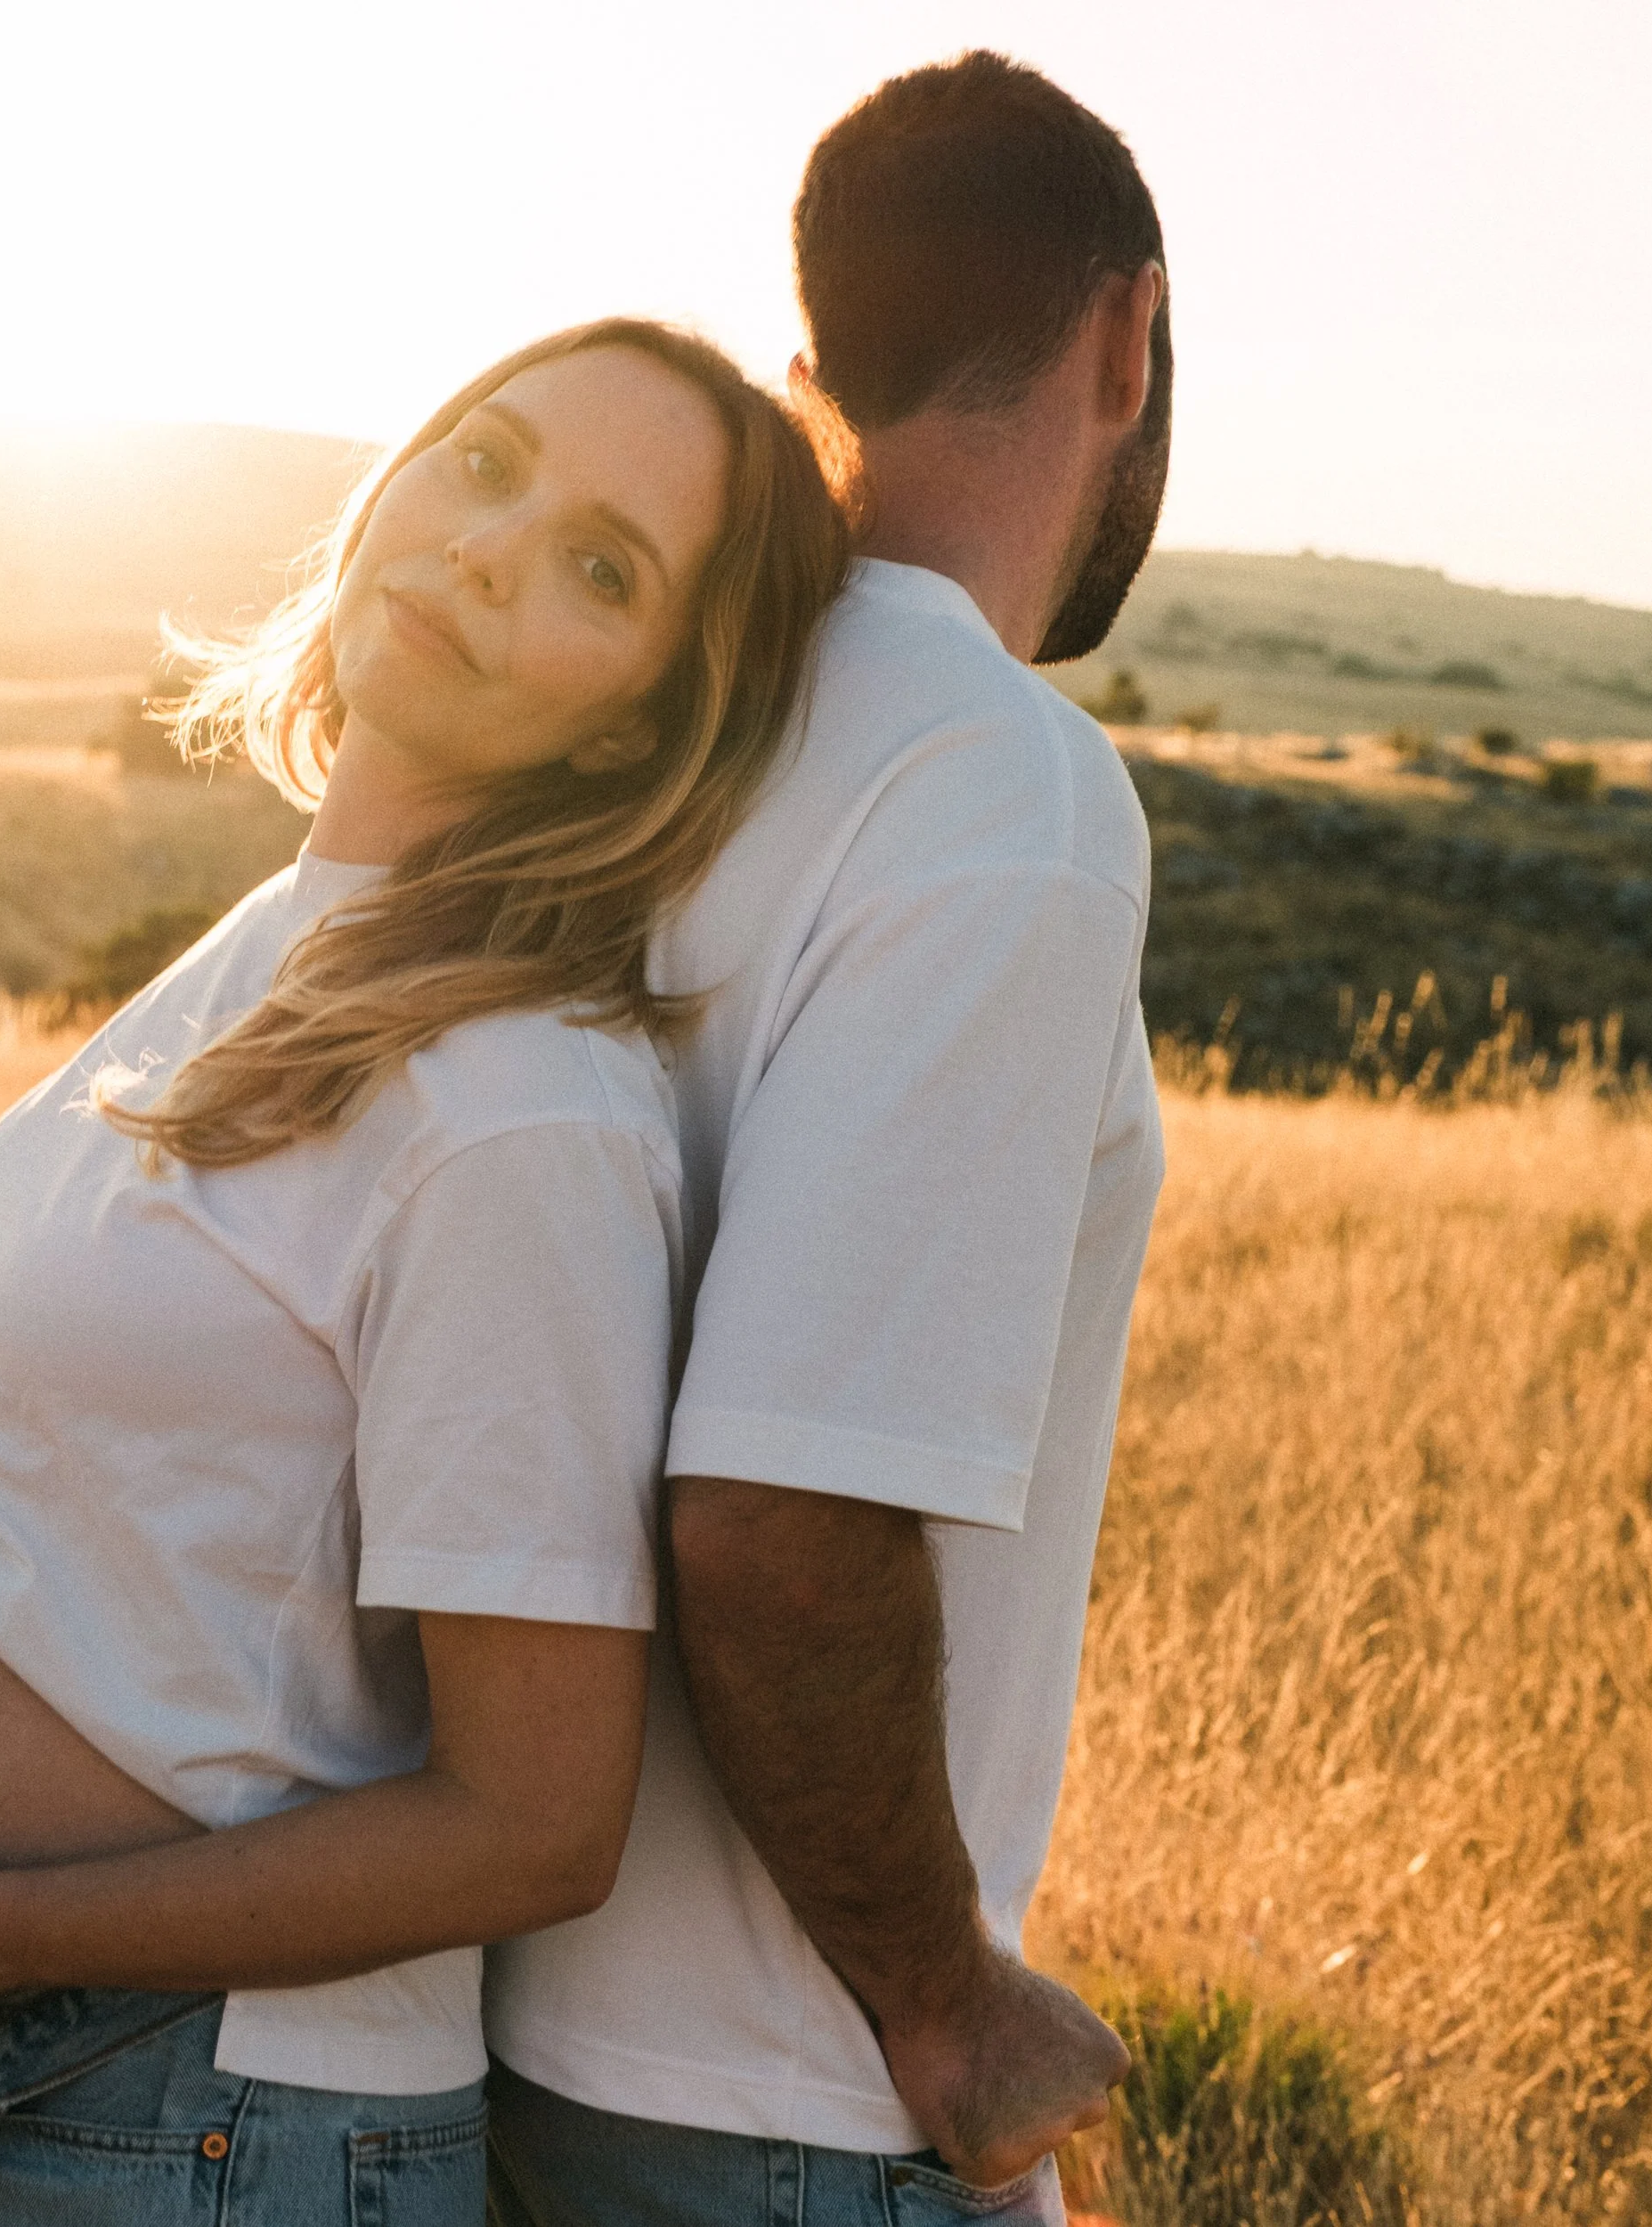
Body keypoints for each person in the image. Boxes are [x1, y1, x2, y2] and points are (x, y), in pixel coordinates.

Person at [0, 316, 849, 2226]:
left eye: (600, 569)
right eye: (487, 463)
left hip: (192, 2119)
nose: (488, 549)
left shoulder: (517, 1105)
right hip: (3, 2084)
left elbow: (536, 1822)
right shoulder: (301, 936)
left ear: (637, 724)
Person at [478, 55, 1171, 2227]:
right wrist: (944, 1998)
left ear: (810, 368)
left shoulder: (652, 719)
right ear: (1125, 337)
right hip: (776, 2090)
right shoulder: (998, 783)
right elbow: (776, 1521)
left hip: (489, 2025)